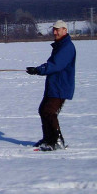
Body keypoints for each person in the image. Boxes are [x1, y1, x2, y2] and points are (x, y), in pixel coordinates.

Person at [26, 20, 76, 151]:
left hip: (60, 86)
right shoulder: (60, 45)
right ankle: (48, 138)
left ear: (65, 30)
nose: (55, 32)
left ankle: (57, 141)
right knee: (43, 110)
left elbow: (56, 65)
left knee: (49, 111)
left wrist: (38, 70)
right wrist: (37, 70)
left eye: (58, 29)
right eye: (54, 29)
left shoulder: (67, 47)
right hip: (53, 85)